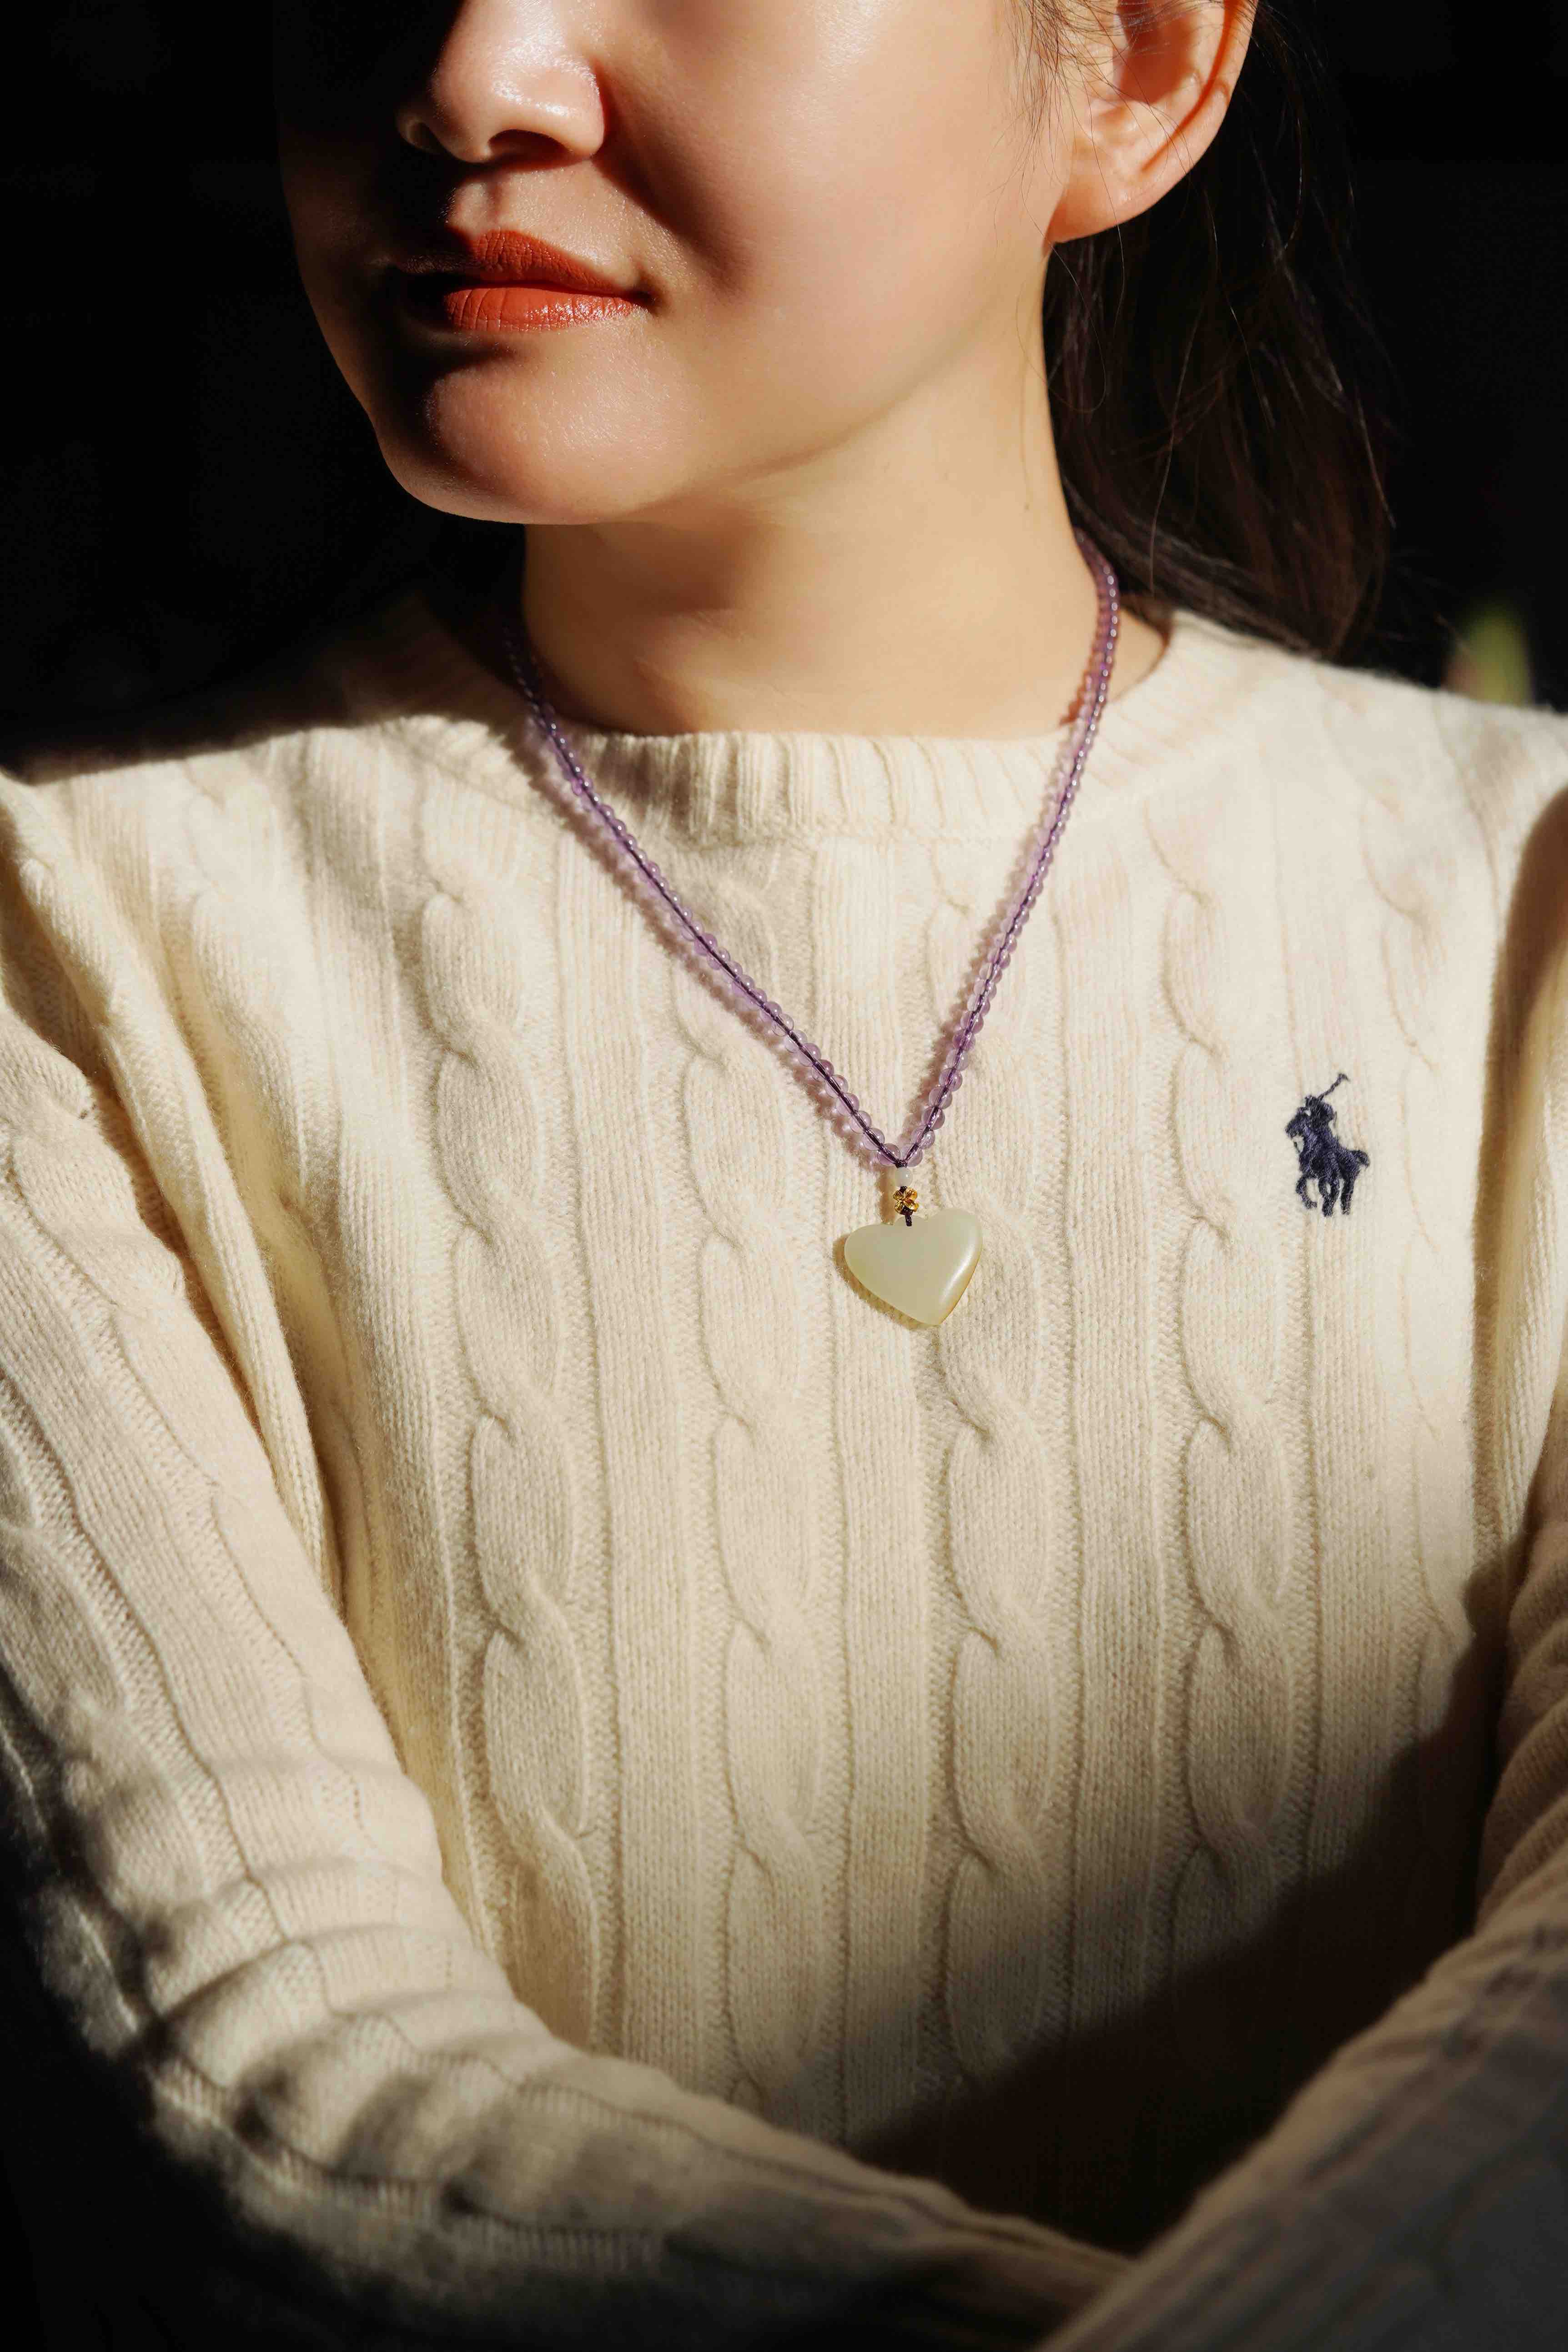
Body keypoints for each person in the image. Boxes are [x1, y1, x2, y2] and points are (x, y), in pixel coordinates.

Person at [1, 2, 1566, 2345]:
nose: (476, 75)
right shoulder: (72, 945)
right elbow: (269, 2096)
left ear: (1139, 63)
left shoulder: (1525, 903)